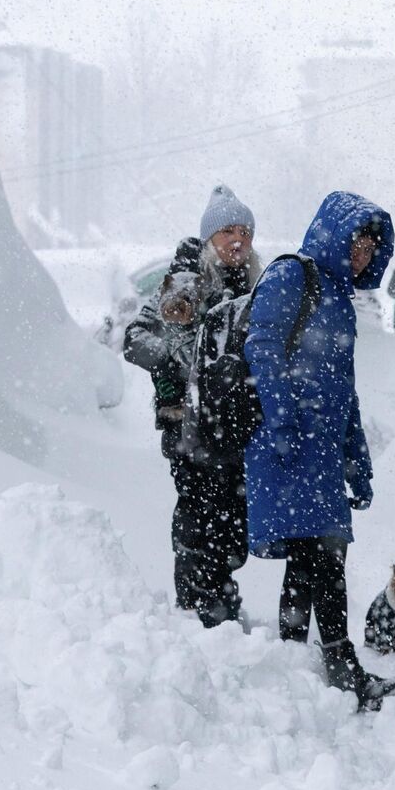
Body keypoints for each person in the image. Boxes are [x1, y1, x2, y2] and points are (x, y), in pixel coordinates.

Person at [245, 191, 395, 710]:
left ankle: (296, 663)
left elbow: (345, 391)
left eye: (371, 248)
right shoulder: (291, 276)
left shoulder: (341, 301)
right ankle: (341, 669)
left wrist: (357, 461)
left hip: (318, 451)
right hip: (287, 446)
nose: (363, 254)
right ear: (334, 236)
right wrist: (281, 420)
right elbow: (262, 347)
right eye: (356, 243)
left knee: (312, 559)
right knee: (323, 557)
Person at [122, 186, 260, 628]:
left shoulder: (254, 287)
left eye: (245, 232)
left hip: (233, 429)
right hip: (188, 428)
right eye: (227, 231)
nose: (237, 240)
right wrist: (180, 362)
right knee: (199, 516)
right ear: (209, 239)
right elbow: (134, 339)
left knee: (233, 521)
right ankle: (198, 606)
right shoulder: (186, 281)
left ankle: (218, 597)